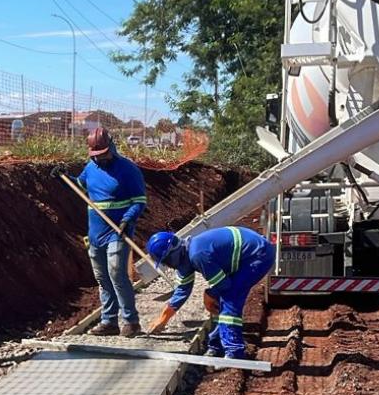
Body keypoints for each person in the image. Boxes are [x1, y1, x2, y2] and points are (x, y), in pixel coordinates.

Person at [52, 127, 147, 337]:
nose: (99, 159)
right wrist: (63, 178)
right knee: (102, 277)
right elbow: (80, 185)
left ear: (111, 147)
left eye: (102, 154)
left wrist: (127, 219)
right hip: (96, 233)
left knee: (117, 273)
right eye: (95, 155)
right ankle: (109, 321)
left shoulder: (128, 169)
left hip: (118, 231)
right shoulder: (91, 167)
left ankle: (131, 321)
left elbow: (139, 200)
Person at [146, 226, 275, 359]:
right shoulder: (185, 255)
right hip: (248, 254)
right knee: (221, 301)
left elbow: (224, 285)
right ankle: (216, 345)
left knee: (230, 298)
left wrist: (209, 294)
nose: (168, 266)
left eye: (166, 261)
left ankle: (234, 353)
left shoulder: (198, 255)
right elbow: (182, 290)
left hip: (258, 255)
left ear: (173, 253)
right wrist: (163, 319)